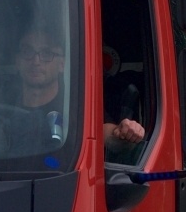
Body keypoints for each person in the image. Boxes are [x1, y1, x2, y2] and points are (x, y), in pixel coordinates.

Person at [14, 29, 145, 152]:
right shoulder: (1, 101)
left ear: (62, 64)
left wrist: (124, 133)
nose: (36, 61)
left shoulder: (77, 106)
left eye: (46, 53)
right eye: (27, 51)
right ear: (17, 61)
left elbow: (104, 132)